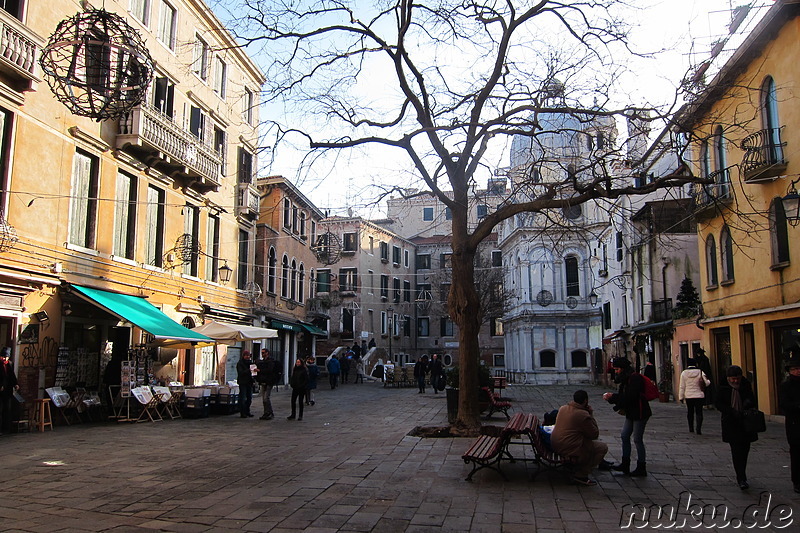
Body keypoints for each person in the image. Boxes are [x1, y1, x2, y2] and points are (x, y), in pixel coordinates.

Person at [603, 357, 651, 477]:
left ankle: (641, 467)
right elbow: (622, 396)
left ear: (623, 368)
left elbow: (629, 397)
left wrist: (612, 397)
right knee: (624, 436)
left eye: (617, 369)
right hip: (631, 412)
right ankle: (625, 463)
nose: (616, 371)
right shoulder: (625, 379)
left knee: (637, 439)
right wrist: (612, 399)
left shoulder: (634, 378)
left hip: (640, 412)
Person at [551, 389, 609, 486]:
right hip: (569, 448)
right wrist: (591, 414)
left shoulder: (563, 408)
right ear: (585, 401)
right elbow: (594, 434)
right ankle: (581, 474)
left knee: (587, 443)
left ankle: (578, 469)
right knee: (602, 448)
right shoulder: (582, 414)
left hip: (555, 443)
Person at [715, 365, 758, 489]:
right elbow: (718, 403)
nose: (735, 381)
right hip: (731, 423)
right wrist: (731, 411)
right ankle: (741, 477)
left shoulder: (745, 385)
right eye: (733, 379)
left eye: (737, 378)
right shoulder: (723, 387)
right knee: (736, 451)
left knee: (745, 450)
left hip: (746, 423)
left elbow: (752, 399)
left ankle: (742, 473)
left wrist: (747, 404)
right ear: (728, 378)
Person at [779, 349, 800, 494]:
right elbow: (784, 404)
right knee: (796, 453)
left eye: (799, 368)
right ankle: (797, 481)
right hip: (794, 423)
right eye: (795, 369)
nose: (798, 371)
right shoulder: (786, 386)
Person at [678, 358, 710, 434]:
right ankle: (698, 429)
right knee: (699, 412)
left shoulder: (684, 373)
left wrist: (681, 397)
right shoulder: (700, 372)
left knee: (690, 412)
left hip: (689, 396)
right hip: (699, 395)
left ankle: (691, 428)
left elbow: (682, 386)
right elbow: (707, 383)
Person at [0, 347, 19, 435]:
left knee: (7, 409)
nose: (4, 358)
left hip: (7, 390)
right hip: (1, 390)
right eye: (3, 356)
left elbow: (12, 375)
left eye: (6, 357)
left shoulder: (10, 364)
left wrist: (16, 384)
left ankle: (6, 428)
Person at [256, 349, 278, 420]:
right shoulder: (262, 361)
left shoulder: (271, 361)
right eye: (261, 353)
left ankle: (270, 413)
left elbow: (269, 370)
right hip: (263, 381)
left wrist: (260, 370)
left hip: (269, 381)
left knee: (266, 398)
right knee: (264, 399)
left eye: (263, 353)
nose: (262, 354)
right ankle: (266, 413)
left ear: (267, 353)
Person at [236, 351, 255, 418]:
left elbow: (253, 373)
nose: (247, 357)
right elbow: (241, 372)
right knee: (243, 398)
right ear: (243, 356)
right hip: (242, 382)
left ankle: (247, 411)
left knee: (249, 398)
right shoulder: (240, 363)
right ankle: (242, 412)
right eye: (246, 355)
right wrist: (248, 370)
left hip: (249, 382)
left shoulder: (251, 363)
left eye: (248, 355)